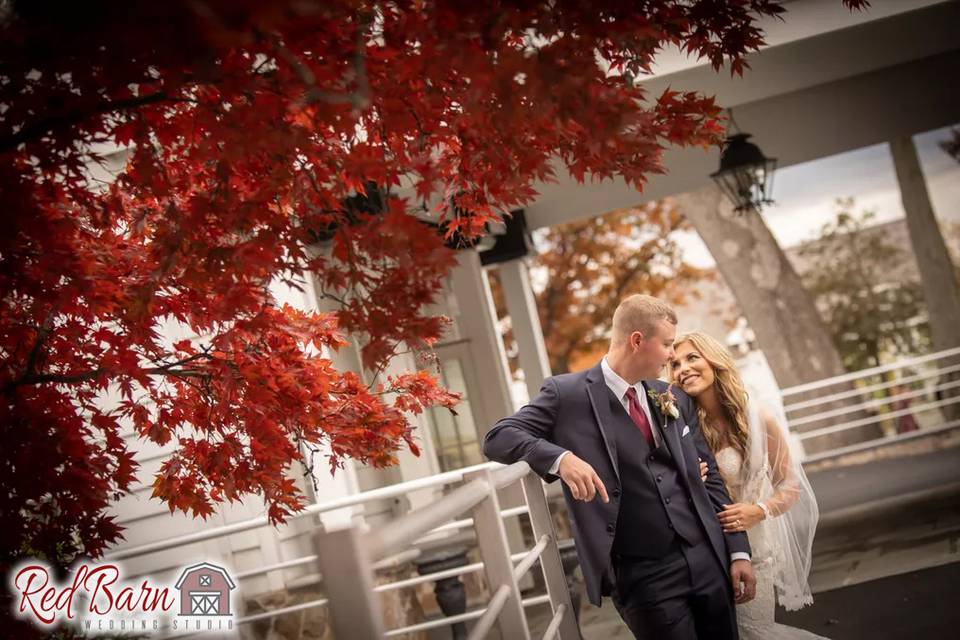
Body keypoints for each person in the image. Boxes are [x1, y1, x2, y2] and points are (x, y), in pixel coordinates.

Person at [483, 295, 756, 639]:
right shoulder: (566, 394)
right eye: (668, 345)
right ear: (637, 340)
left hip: (708, 557)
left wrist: (738, 551)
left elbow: (711, 478)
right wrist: (560, 458)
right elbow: (497, 437)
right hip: (643, 575)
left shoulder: (670, 396)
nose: (672, 356)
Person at [670, 332, 825, 639]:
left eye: (691, 358)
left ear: (714, 361)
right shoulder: (677, 424)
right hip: (701, 547)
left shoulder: (759, 417)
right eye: (674, 364)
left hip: (753, 546)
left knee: (754, 632)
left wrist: (760, 510)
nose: (682, 368)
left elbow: (789, 485)